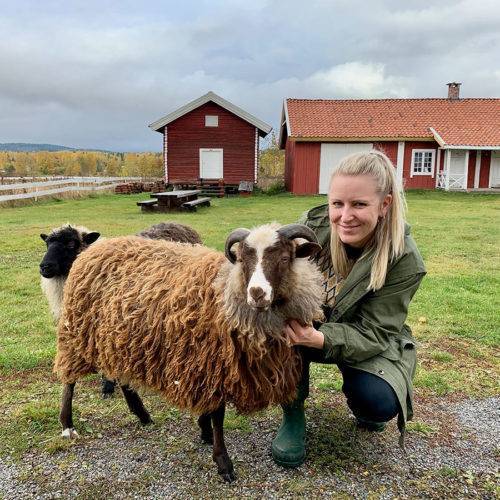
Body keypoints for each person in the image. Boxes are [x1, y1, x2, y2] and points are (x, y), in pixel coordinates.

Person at [272, 150, 426, 468]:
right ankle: (292, 412)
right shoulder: (309, 232)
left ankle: (363, 397)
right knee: (282, 331)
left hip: (362, 336)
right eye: (337, 203)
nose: (345, 216)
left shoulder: (404, 260)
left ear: (384, 205)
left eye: (359, 204)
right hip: (306, 329)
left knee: (378, 401)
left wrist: (322, 339)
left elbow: (375, 331)